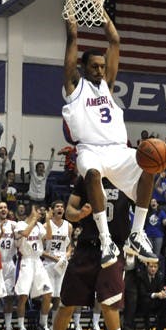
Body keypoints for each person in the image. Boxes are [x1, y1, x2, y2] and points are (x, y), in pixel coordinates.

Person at [61, 13, 157, 268]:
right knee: (92, 174)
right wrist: (72, 27)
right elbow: (71, 44)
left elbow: (114, 41)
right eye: (94, 66)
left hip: (118, 151)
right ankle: (106, 240)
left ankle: (137, 234)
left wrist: (100, 11)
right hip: (90, 150)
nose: (100, 70)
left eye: (102, 67)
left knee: (152, 164)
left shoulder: (108, 85)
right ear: (83, 67)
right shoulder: (74, 85)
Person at [41, 177, 133, 330]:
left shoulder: (125, 177)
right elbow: (70, 211)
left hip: (113, 247)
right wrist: (80, 213)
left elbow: (145, 199)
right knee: (67, 302)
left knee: (109, 301)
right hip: (86, 247)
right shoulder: (88, 177)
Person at [14, 206, 54, 330]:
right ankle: (21, 327)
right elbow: (25, 233)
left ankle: (43, 325)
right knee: (23, 296)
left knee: (48, 293)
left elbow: (49, 237)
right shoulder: (20, 224)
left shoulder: (39, 226)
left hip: (37, 261)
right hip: (25, 261)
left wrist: (48, 221)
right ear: (31, 210)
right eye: (38, 210)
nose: (41, 213)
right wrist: (34, 220)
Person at [43, 200, 73, 330]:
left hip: (62, 263)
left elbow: (69, 246)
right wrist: (54, 258)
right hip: (48, 263)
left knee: (59, 296)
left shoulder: (69, 226)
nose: (60, 208)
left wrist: (66, 256)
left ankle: (55, 325)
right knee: (48, 295)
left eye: (62, 206)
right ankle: (42, 324)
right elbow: (41, 249)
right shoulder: (45, 226)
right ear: (52, 210)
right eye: (57, 207)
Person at [0, 201, 19, 330]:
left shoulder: (14, 225)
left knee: (9, 297)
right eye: (0, 207)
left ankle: (8, 327)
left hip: (9, 263)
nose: (3, 209)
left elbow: (20, 242)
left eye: (5, 207)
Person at [137, 260, 166, 330]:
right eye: (151, 267)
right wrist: (156, 294)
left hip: (154, 301)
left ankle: (160, 329)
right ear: (147, 267)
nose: (153, 269)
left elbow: (161, 288)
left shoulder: (159, 276)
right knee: (146, 301)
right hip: (143, 301)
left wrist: (163, 293)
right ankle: (147, 329)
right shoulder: (141, 276)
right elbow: (142, 293)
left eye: (155, 267)